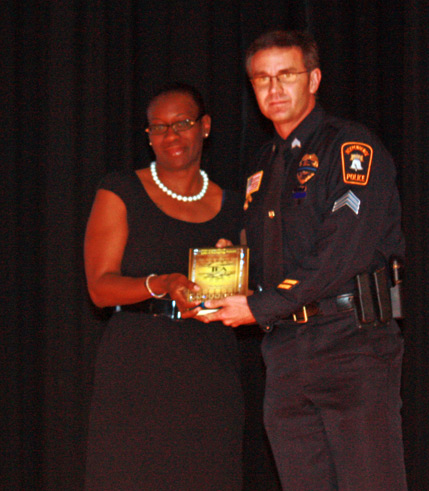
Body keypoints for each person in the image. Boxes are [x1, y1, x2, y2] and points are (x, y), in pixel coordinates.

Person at [199, 30, 408, 490]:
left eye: (286, 75)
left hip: (350, 344)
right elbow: (278, 255)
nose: (273, 90)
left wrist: (259, 307)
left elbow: (341, 253)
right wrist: (231, 269)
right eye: (261, 79)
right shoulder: (266, 162)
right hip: (287, 351)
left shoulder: (351, 147)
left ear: (313, 79)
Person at [84, 83, 245, 490]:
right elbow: (100, 289)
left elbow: (252, 291)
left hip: (211, 368)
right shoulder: (120, 190)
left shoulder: (236, 203)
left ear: (205, 127)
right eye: (158, 128)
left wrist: (240, 274)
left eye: (182, 124)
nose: (170, 136)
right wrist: (162, 283)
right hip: (138, 365)